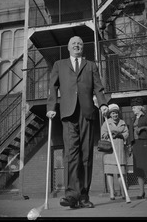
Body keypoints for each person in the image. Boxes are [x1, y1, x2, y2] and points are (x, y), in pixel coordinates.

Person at [46, 36, 109, 209]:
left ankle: (83, 196)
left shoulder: (91, 65)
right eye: (73, 43)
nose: (77, 45)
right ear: (68, 47)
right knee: (71, 154)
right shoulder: (59, 65)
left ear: (83, 47)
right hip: (68, 112)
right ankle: (71, 195)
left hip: (87, 112)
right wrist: (51, 106)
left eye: (80, 43)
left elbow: (98, 87)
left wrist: (103, 104)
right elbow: (52, 87)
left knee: (86, 155)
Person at [127, 97, 147, 199]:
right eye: (132, 107)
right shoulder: (132, 119)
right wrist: (130, 145)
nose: (132, 109)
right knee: (139, 170)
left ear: (140, 108)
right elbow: (130, 133)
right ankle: (141, 192)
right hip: (136, 145)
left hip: (146, 144)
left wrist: (145, 128)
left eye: (134, 107)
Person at [101, 104, 129, 200]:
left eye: (116, 113)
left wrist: (120, 134)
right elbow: (103, 135)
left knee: (121, 171)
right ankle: (112, 193)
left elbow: (126, 133)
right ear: (110, 114)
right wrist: (109, 134)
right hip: (110, 150)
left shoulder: (122, 122)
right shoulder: (106, 123)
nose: (115, 115)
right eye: (113, 113)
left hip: (120, 150)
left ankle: (123, 192)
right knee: (109, 172)